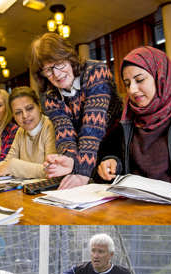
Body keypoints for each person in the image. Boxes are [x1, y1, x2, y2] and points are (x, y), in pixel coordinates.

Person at [28, 32, 123, 190]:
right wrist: (69, 159)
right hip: (87, 156)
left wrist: (82, 170)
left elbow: (92, 127)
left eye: (59, 64)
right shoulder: (50, 96)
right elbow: (64, 132)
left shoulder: (96, 71)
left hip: (115, 149)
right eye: (48, 70)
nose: (57, 74)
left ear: (69, 58)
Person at [96, 46, 171, 183]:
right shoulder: (125, 121)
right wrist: (111, 163)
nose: (132, 90)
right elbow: (112, 156)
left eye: (139, 80)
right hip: (135, 202)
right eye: (127, 84)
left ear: (161, 77)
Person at [0, 87, 57, 179]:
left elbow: (52, 170)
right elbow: (7, 162)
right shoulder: (21, 131)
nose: (25, 115)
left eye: (29, 108)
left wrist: (13, 166)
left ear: (39, 106)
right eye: (18, 112)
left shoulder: (51, 126)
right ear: (13, 115)